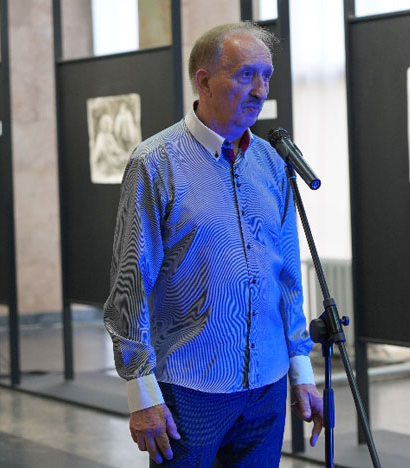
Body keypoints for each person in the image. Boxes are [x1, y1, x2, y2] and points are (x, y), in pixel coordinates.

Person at [103, 22, 323, 467]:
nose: (260, 90)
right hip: (190, 389)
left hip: (267, 386)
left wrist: (301, 369)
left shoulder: (272, 162)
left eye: (266, 76)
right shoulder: (155, 162)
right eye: (246, 75)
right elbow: (130, 285)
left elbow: (287, 277)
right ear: (203, 80)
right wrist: (141, 392)